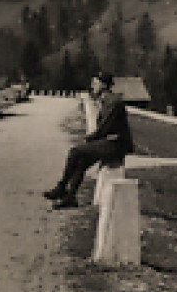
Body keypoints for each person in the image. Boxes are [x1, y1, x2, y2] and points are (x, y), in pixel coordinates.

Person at [43, 72, 134, 208]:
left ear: (103, 85)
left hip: (116, 144)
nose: (93, 87)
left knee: (75, 151)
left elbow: (104, 129)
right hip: (110, 142)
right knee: (82, 161)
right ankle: (70, 197)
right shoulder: (107, 100)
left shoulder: (113, 102)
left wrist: (88, 139)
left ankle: (62, 188)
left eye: (95, 84)